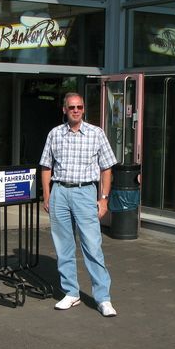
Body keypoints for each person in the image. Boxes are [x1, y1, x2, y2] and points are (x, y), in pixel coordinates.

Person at [40, 92, 118, 317]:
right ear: (64, 109)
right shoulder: (55, 134)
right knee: (63, 247)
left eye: (80, 107)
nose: (76, 110)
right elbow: (46, 166)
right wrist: (47, 195)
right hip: (60, 192)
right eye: (72, 107)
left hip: (85, 192)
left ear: (84, 109)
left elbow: (106, 168)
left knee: (92, 246)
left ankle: (103, 298)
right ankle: (71, 292)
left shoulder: (96, 133)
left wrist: (104, 199)